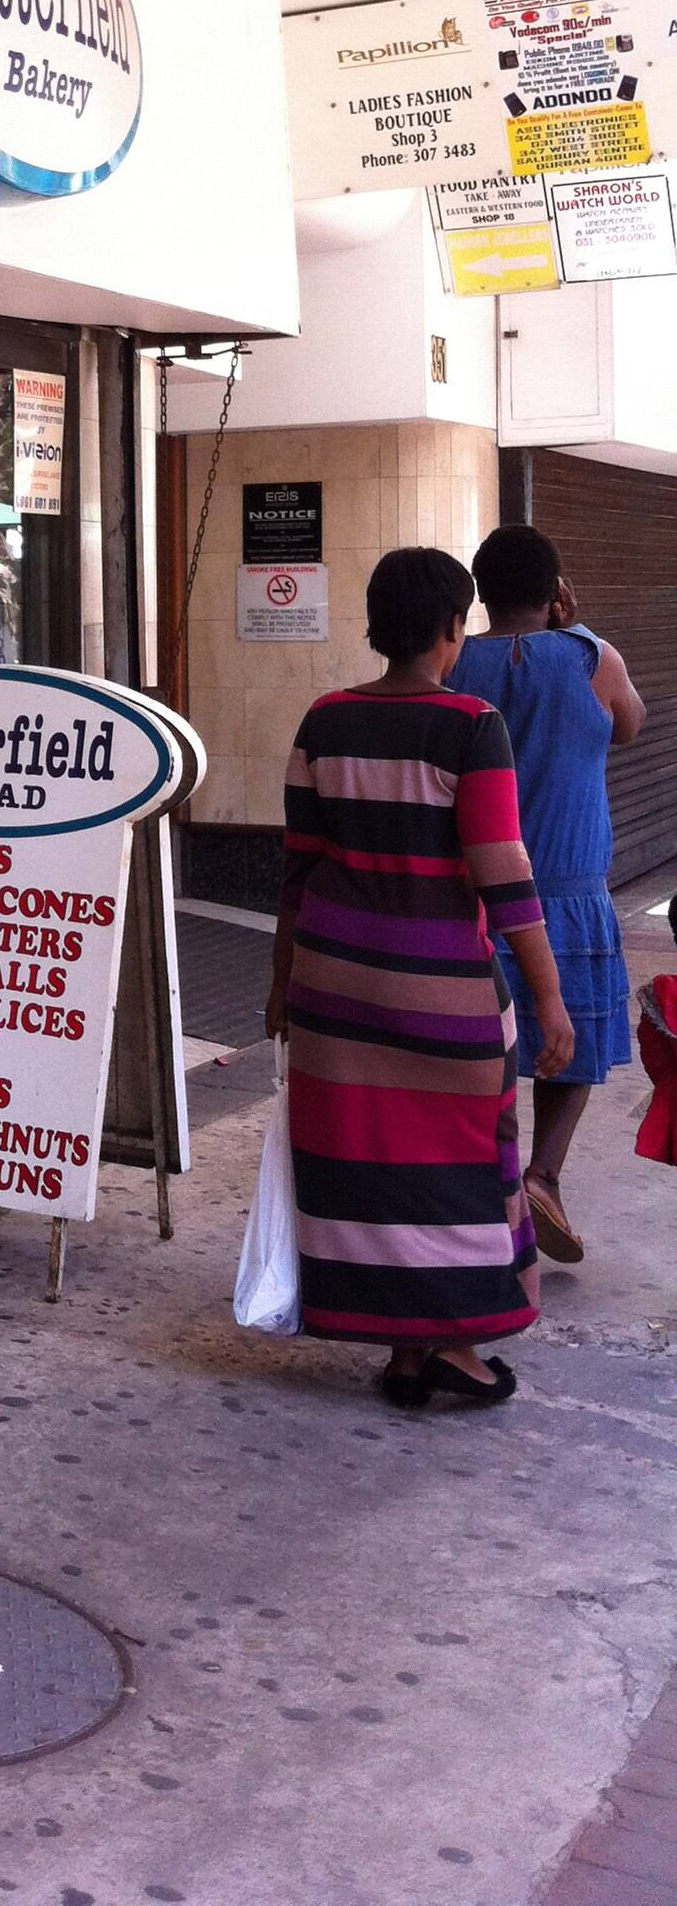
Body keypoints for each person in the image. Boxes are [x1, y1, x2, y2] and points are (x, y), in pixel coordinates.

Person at [266, 546, 574, 1409]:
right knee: (462, 1167)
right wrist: (552, 1002)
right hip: (444, 997)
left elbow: (295, 869)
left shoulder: (322, 722)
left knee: (366, 1161)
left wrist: (279, 981)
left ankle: (406, 1354)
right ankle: (451, 1347)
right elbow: (504, 878)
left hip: (332, 990)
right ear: (451, 629)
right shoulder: (472, 725)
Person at [451, 523, 646, 1265]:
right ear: (557, 590)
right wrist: (581, 627)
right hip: (570, 889)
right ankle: (544, 1177)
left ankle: (483, 1183)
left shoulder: (457, 659)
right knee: (577, 1045)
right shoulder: (593, 657)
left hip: (478, 893)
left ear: (480, 593)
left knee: (485, 1049)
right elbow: (631, 726)